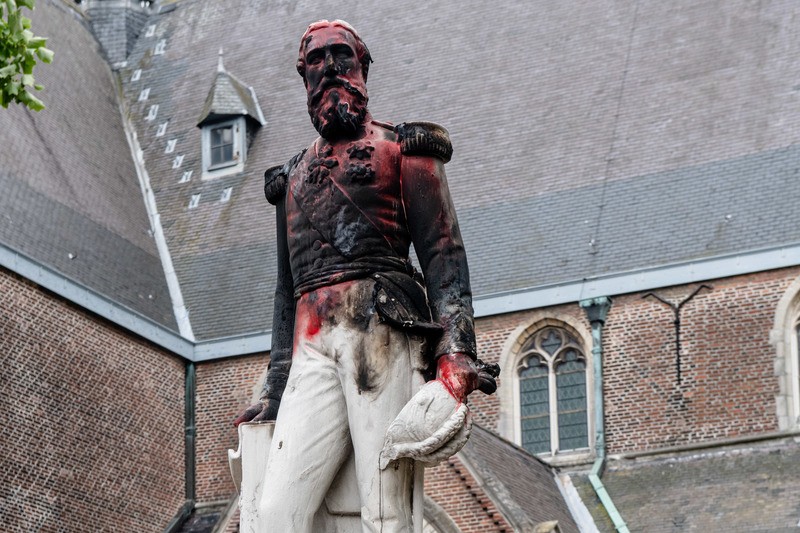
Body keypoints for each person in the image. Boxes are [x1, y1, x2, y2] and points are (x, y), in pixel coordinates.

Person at [234, 20, 496, 532]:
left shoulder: (406, 150)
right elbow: (285, 292)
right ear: (304, 77)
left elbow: (444, 255)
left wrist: (457, 351)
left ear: (363, 67)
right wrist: (274, 385)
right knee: (274, 515)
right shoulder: (288, 179)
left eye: (342, 56)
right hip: (311, 343)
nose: (330, 70)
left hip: (381, 329)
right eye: (317, 61)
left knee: (384, 508)